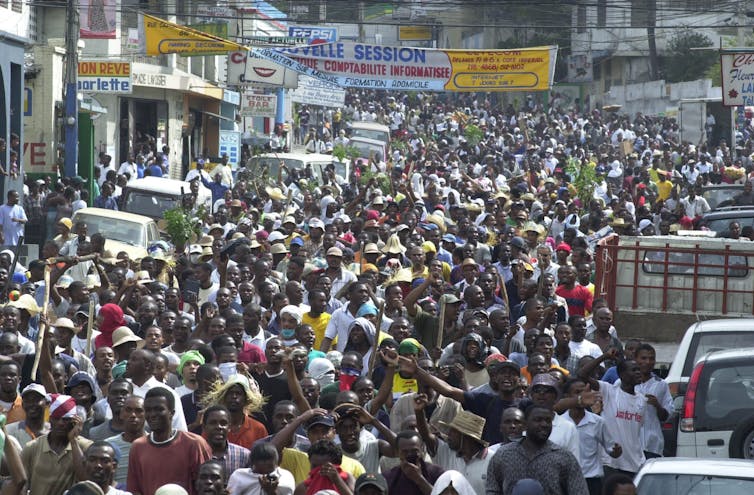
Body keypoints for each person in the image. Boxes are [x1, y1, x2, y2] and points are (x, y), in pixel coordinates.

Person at [485, 405, 588, 495]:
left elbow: (579, 491)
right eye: (538, 420)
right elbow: (492, 490)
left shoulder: (565, 458)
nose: (544, 424)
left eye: (548, 421)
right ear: (525, 425)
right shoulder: (503, 455)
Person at [127, 387, 212, 495]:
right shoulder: (138, 447)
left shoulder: (194, 444)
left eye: (159, 409)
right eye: (148, 410)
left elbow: (206, 487)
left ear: (171, 413)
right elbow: (134, 489)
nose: (152, 414)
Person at [21, 394, 93, 495]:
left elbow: (86, 480)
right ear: (50, 419)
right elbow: (22, 484)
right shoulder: (32, 447)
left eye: (66, 419)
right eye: (56, 418)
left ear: (75, 421)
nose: (60, 423)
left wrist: (73, 441)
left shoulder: (85, 446)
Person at [383, 430, 443, 495]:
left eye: (414, 451)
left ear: (422, 450)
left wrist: (419, 479)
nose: (410, 455)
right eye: (405, 452)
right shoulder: (389, 477)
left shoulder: (436, 473)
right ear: (397, 452)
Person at [227, 441, 296, 495]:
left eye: (269, 460)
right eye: (262, 460)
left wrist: (271, 492)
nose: (265, 463)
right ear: (253, 462)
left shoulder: (285, 476)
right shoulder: (239, 476)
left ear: (277, 462)